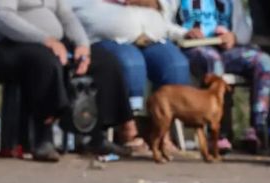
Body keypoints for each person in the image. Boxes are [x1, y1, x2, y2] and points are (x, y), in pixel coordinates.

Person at [0, 0, 134, 162]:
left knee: (106, 62)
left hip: (48, 45)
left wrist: (82, 45)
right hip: (0, 46)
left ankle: (95, 135)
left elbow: (66, 16)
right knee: (43, 61)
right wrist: (46, 41)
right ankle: (42, 138)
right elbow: (3, 18)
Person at [67, 0, 192, 149]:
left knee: (175, 65)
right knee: (131, 64)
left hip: (153, 35)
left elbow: (164, 8)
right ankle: (128, 129)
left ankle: (162, 134)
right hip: (106, 37)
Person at [162, 0, 270, 152]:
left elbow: (244, 26)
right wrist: (184, 33)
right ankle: (217, 131)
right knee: (214, 61)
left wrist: (233, 37)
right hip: (193, 48)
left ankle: (259, 128)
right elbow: (163, 22)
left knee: (264, 62)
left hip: (225, 49)